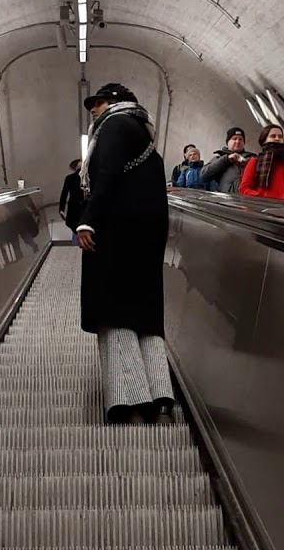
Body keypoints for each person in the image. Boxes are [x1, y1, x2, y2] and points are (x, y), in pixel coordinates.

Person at [76, 82, 174, 424]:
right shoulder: (143, 132)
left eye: (99, 102)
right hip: (145, 234)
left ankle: (130, 398)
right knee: (144, 313)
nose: (93, 108)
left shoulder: (115, 126)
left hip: (117, 231)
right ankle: (160, 391)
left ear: (117, 102)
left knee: (113, 309)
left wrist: (88, 221)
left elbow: (108, 175)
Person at [199, 127, 255, 193]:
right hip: (226, 199)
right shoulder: (220, 157)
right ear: (227, 142)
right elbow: (203, 176)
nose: (237, 141)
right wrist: (226, 160)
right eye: (234, 139)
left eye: (240, 139)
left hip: (248, 199)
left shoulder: (252, 157)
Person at [58, 158, 85, 242]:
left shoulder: (69, 178)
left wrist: (61, 209)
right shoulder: (88, 177)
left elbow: (64, 194)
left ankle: (80, 240)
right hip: (85, 207)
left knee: (74, 225)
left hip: (73, 208)